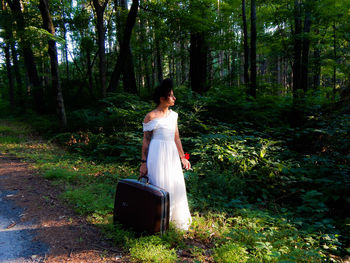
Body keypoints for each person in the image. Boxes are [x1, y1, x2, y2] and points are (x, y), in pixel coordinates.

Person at [140, 79, 192, 231]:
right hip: (156, 154)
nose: (174, 98)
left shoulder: (174, 115)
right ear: (162, 98)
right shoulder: (150, 116)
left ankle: (173, 222)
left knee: (174, 184)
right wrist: (143, 162)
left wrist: (183, 157)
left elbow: (176, 138)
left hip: (171, 156)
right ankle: (156, 222)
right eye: (171, 95)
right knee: (158, 183)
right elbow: (146, 141)